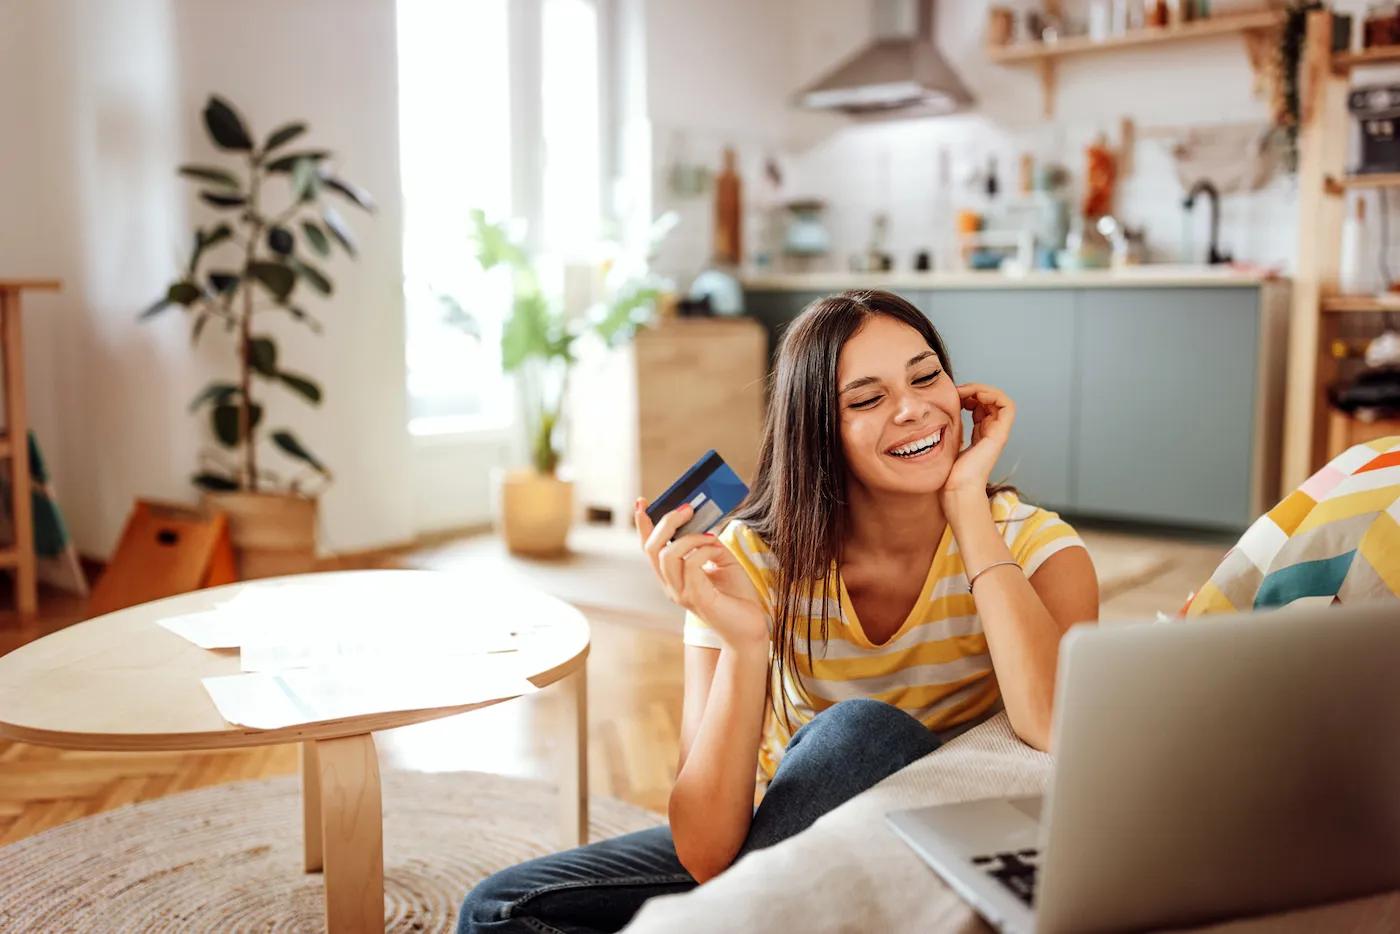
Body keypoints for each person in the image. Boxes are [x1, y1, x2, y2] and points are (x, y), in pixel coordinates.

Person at [456, 289, 1100, 934]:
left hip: (945, 848)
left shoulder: (1036, 548)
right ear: (817, 430)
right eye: (868, 398)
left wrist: (967, 506)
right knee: (497, 911)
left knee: (864, 734)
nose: (912, 409)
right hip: (785, 834)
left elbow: (1057, 729)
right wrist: (742, 644)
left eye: (926, 375)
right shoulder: (750, 560)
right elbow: (707, 853)